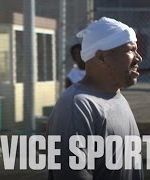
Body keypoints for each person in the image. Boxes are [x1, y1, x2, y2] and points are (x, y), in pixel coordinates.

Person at [46, 17, 143, 180]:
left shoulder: (117, 98)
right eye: (130, 50)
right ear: (101, 58)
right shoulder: (77, 106)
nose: (138, 58)